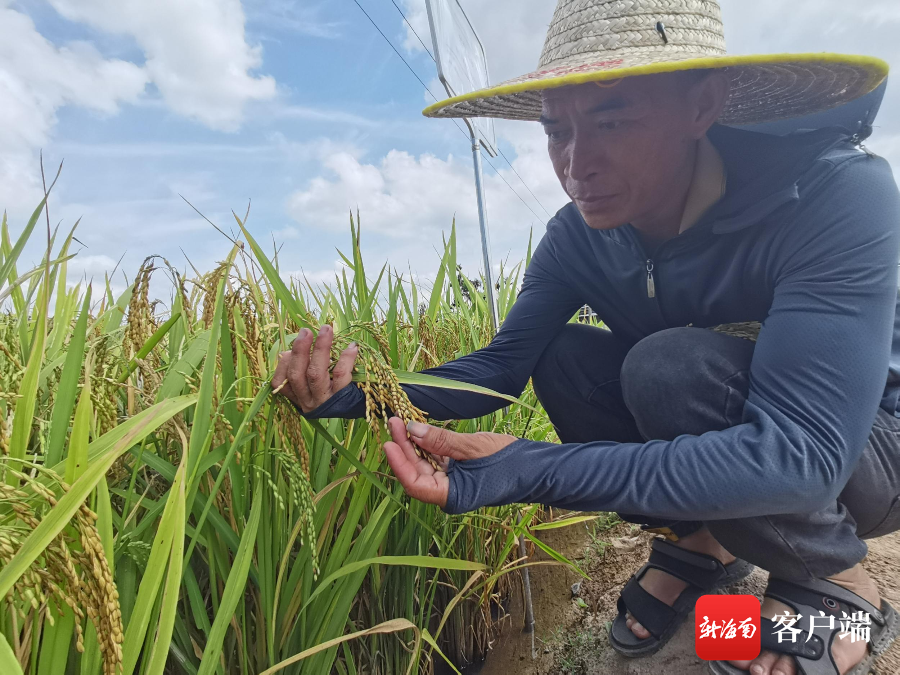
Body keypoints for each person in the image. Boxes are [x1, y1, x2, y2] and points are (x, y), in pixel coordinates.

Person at [272, 1, 900, 673]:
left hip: (863, 452)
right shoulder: (577, 236)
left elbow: (805, 454)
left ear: (702, 105)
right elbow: (497, 370)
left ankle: (837, 583)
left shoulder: (837, 193)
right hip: (740, 434)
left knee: (668, 367)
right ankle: (705, 547)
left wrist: (527, 468)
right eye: (556, 131)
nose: (576, 163)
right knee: (566, 355)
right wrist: (353, 393)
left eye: (611, 119)